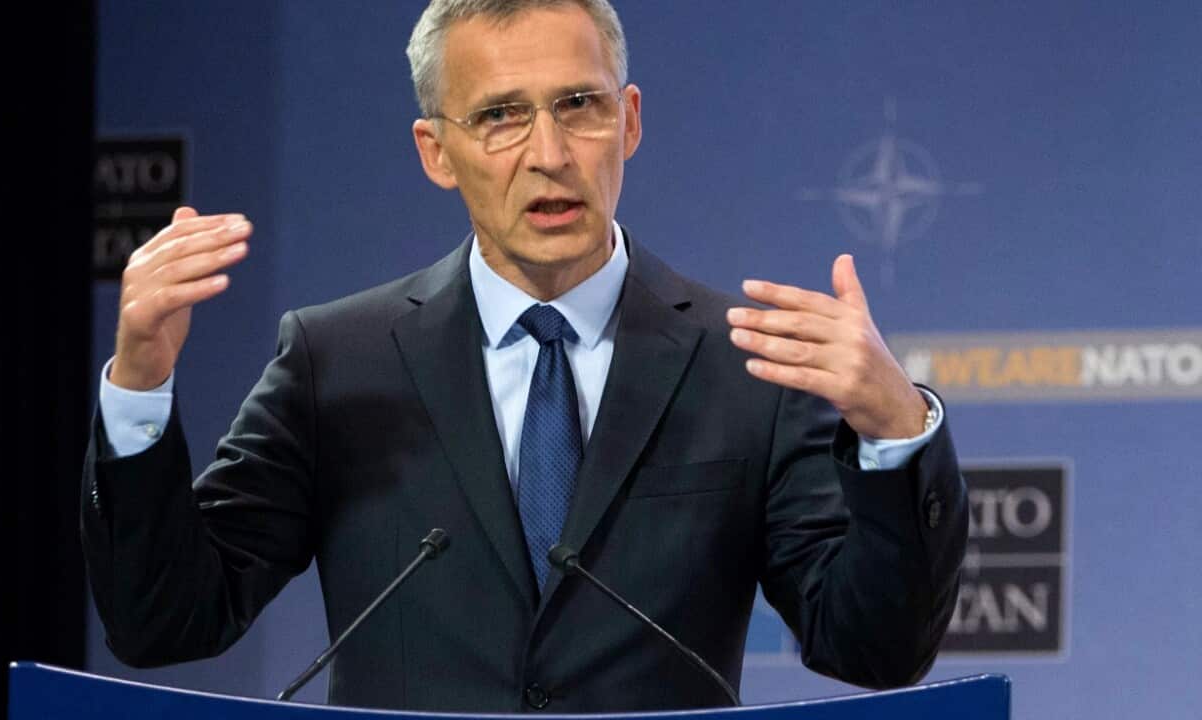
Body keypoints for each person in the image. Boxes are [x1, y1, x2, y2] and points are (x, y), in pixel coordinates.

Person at [82, 0, 967, 712]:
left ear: (628, 121)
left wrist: (896, 427)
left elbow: (874, 649)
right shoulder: (338, 361)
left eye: (577, 105)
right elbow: (166, 620)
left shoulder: (739, 365)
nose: (548, 155)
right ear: (438, 151)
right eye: (501, 117)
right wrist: (141, 382)